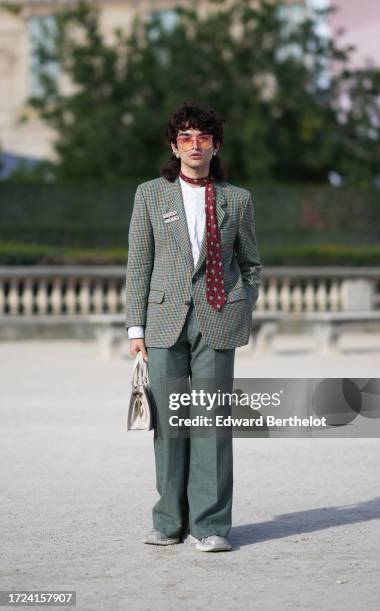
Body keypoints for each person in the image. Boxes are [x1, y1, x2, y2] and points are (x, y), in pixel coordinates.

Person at [125, 101, 262, 552]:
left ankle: (211, 526)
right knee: (168, 424)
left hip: (218, 319)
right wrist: (135, 327)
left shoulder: (237, 199)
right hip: (164, 321)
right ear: (174, 145)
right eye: (186, 137)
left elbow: (251, 264)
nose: (195, 145)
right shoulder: (150, 194)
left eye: (203, 137)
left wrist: (242, 309)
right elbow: (138, 264)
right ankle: (168, 522)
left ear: (216, 145)